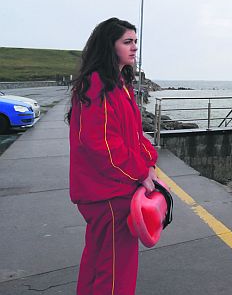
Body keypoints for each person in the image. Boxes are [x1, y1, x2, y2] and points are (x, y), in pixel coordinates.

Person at [67, 17, 159, 294]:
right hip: (107, 192)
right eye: (127, 42)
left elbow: (134, 135)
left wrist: (149, 162)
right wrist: (142, 172)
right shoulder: (98, 85)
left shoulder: (119, 83)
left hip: (108, 189)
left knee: (98, 260)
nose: (134, 48)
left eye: (135, 42)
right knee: (116, 269)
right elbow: (103, 145)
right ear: (110, 46)